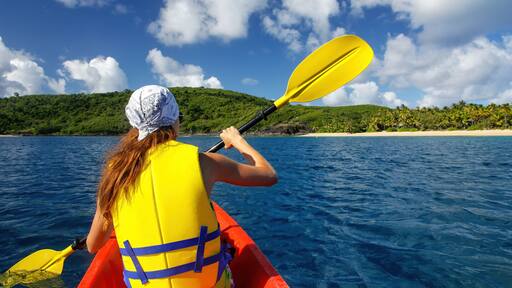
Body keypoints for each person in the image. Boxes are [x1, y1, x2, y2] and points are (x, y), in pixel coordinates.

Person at [86, 85, 277, 288]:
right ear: (175, 119)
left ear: (134, 124)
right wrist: (238, 141)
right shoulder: (205, 162)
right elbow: (269, 175)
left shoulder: (115, 172)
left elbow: (93, 245)